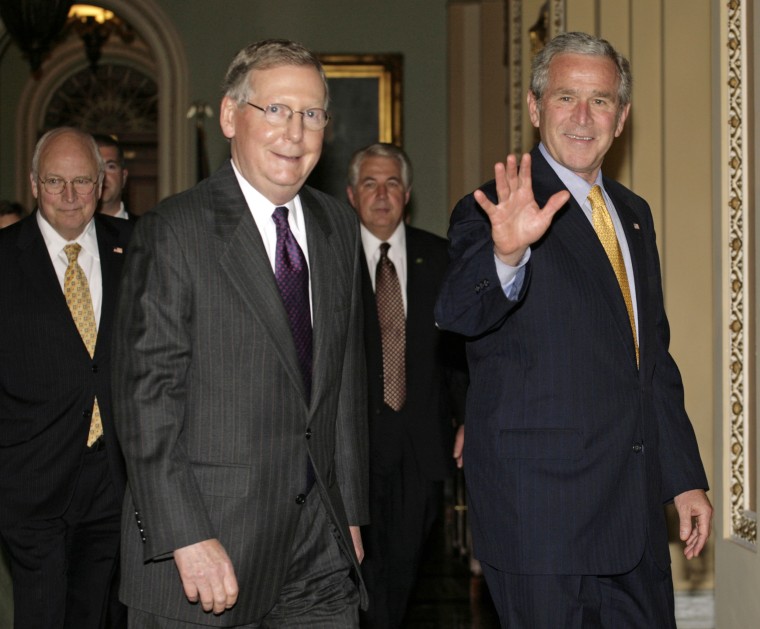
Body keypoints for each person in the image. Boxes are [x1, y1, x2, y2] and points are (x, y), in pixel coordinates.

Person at [434, 32, 713, 628]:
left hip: (633, 515)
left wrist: (683, 479)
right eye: (566, 98)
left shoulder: (633, 215)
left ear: (623, 115)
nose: (583, 117)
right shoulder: (493, 206)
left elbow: (651, 357)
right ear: (535, 108)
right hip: (541, 517)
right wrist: (506, 255)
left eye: (601, 100)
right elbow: (457, 311)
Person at [112, 39, 368, 628]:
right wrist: (186, 535)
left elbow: (344, 381)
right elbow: (145, 400)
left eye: (311, 114)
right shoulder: (174, 231)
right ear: (231, 116)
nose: (295, 132)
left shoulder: (336, 225)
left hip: (319, 552)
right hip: (207, 554)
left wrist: (349, 508)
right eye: (275, 110)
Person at [0, 127, 131, 629]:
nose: (70, 197)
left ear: (101, 185)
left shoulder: (137, 248)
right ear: (34, 184)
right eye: (56, 182)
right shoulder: (5, 257)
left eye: (82, 182)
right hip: (30, 481)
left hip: (114, 480)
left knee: (97, 615)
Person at [346, 143, 466, 628]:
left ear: (408, 193)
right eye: (370, 184)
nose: (381, 194)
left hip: (421, 442)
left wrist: (468, 416)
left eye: (391, 183)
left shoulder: (440, 257)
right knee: (355, 569)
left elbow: (459, 349)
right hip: (352, 448)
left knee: (404, 568)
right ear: (352, 195)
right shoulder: (329, 260)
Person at [93, 134, 132, 220]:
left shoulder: (144, 229)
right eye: (95, 167)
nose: (102, 176)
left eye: (110, 167)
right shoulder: (69, 230)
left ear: (124, 177)